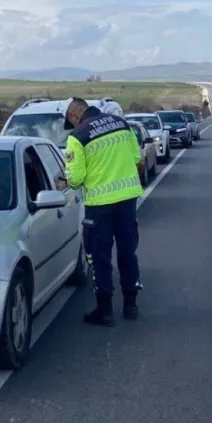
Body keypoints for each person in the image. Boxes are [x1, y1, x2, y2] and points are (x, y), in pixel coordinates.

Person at [63, 97, 145, 326]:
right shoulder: (121, 123)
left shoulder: (77, 136)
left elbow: (76, 179)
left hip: (99, 206)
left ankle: (105, 309)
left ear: (73, 114)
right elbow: (137, 157)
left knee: (99, 257)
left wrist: (67, 177)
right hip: (128, 201)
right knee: (128, 252)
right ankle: (131, 305)